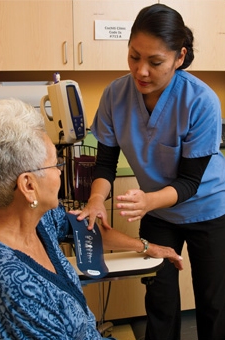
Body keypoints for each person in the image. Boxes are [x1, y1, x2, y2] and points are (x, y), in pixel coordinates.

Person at [0, 99, 183, 340]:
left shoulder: (38, 218)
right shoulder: (10, 281)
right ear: (29, 185)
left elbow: (87, 229)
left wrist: (146, 246)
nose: (61, 171)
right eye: (56, 163)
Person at [76, 3, 225, 340]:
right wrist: (97, 199)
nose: (141, 71)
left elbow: (189, 182)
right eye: (133, 57)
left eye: (155, 62)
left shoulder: (201, 101)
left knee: (214, 302)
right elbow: (105, 164)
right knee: (160, 300)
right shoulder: (116, 95)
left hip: (208, 209)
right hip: (157, 212)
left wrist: (147, 201)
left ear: (179, 57)